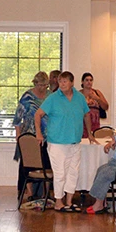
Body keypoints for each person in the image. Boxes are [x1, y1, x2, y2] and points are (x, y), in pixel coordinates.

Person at [35, 71, 94, 212]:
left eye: (65, 81)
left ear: (72, 83)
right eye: (60, 81)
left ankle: (69, 201)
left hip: (74, 142)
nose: (61, 84)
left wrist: (90, 134)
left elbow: (86, 115)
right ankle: (58, 202)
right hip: (57, 142)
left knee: (73, 172)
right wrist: (38, 133)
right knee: (60, 173)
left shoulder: (79, 98)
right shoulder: (53, 98)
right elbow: (38, 114)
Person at [13, 71, 51, 202]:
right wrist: (18, 136)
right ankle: (29, 192)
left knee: (47, 163)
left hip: (48, 136)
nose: (42, 88)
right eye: (39, 85)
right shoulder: (27, 97)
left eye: (45, 85)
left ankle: (46, 193)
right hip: (29, 136)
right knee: (28, 164)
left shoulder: (50, 96)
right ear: (35, 83)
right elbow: (18, 118)